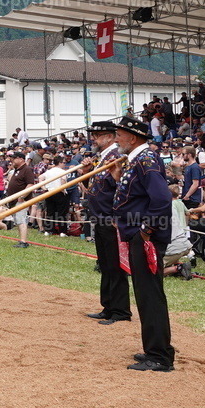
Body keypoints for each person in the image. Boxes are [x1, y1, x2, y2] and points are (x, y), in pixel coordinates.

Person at [112, 115, 175, 372]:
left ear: (132, 137)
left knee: (150, 295)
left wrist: (146, 231)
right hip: (138, 233)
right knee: (145, 294)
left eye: (119, 135)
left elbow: (161, 199)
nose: (116, 139)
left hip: (145, 237)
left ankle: (159, 356)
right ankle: (154, 349)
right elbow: (136, 195)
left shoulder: (146, 159)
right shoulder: (138, 159)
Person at [83, 121, 131, 325]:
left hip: (110, 219)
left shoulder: (117, 158)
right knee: (105, 264)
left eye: (98, 135)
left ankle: (120, 311)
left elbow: (121, 187)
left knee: (114, 266)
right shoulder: (101, 158)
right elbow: (92, 187)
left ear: (110, 137)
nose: (94, 138)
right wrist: (85, 173)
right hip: (99, 217)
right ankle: (108, 306)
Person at [4, 152, 36, 248]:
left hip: (21, 200)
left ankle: (23, 241)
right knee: (18, 220)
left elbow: (30, 184)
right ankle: (21, 240)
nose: (11, 160)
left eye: (14, 158)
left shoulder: (27, 169)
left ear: (21, 159)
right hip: (14, 200)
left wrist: (22, 196)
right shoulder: (17, 170)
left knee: (21, 220)